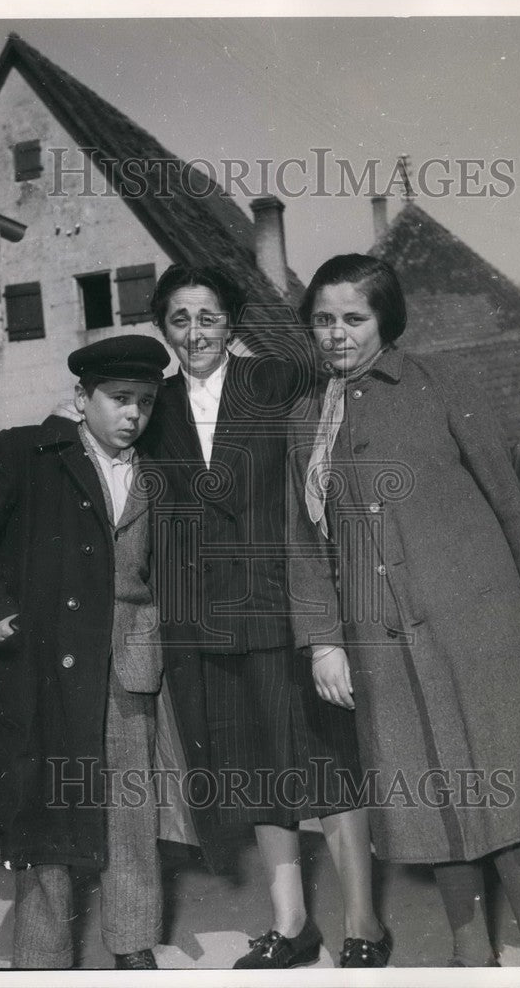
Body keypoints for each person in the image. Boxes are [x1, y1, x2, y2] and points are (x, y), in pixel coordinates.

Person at [287, 253, 520, 968]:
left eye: (352, 318)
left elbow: (508, 499)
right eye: (322, 320)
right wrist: (323, 642)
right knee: (428, 794)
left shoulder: (443, 384)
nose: (336, 333)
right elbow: (302, 546)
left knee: (505, 787)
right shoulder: (303, 420)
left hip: (478, 626)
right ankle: (468, 954)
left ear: (384, 319)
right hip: (380, 643)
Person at [144, 263, 389, 969]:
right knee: (254, 770)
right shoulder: (152, 406)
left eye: (208, 318)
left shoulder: (275, 381)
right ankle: (291, 924)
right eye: (180, 319)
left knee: (328, 767)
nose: (194, 333)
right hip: (207, 623)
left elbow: (344, 412)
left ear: (232, 326)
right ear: (163, 327)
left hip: (288, 609)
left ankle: (364, 923)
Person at [0, 335, 170, 970]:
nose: (132, 415)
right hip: (49, 661)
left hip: (128, 661)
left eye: (145, 402)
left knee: (129, 808)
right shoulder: (28, 452)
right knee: (47, 808)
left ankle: (132, 941)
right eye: (119, 399)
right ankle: (42, 954)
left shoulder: (155, 469)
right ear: (81, 398)